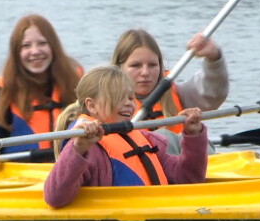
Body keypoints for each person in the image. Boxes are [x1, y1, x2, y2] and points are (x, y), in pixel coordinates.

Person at [43, 66, 207, 208]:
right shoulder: (86, 146)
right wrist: (78, 149)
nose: (129, 103)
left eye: (130, 97)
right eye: (118, 97)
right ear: (92, 105)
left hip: (154, 215)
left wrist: (193, 135)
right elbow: (54, 197)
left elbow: (188, 178)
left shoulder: (146, 139)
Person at [0, 14, 83, 178]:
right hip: (26, 184)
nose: (35, 51)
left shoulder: (77, 93)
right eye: (26, 46)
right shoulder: (3, 101)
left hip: (72, 179)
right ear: (17, 54)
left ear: (53, 47)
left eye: (42, 43)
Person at [110, 29, 227, 154]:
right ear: (119, 68)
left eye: (152, 65)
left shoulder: (177, 94)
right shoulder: (103, 102)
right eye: (135, 65)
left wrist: (213, 58)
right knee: (163, 135)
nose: (145, 73)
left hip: (180, 165)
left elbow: (213, 93)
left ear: (160, 66)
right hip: (133, 163)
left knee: (196, 137)